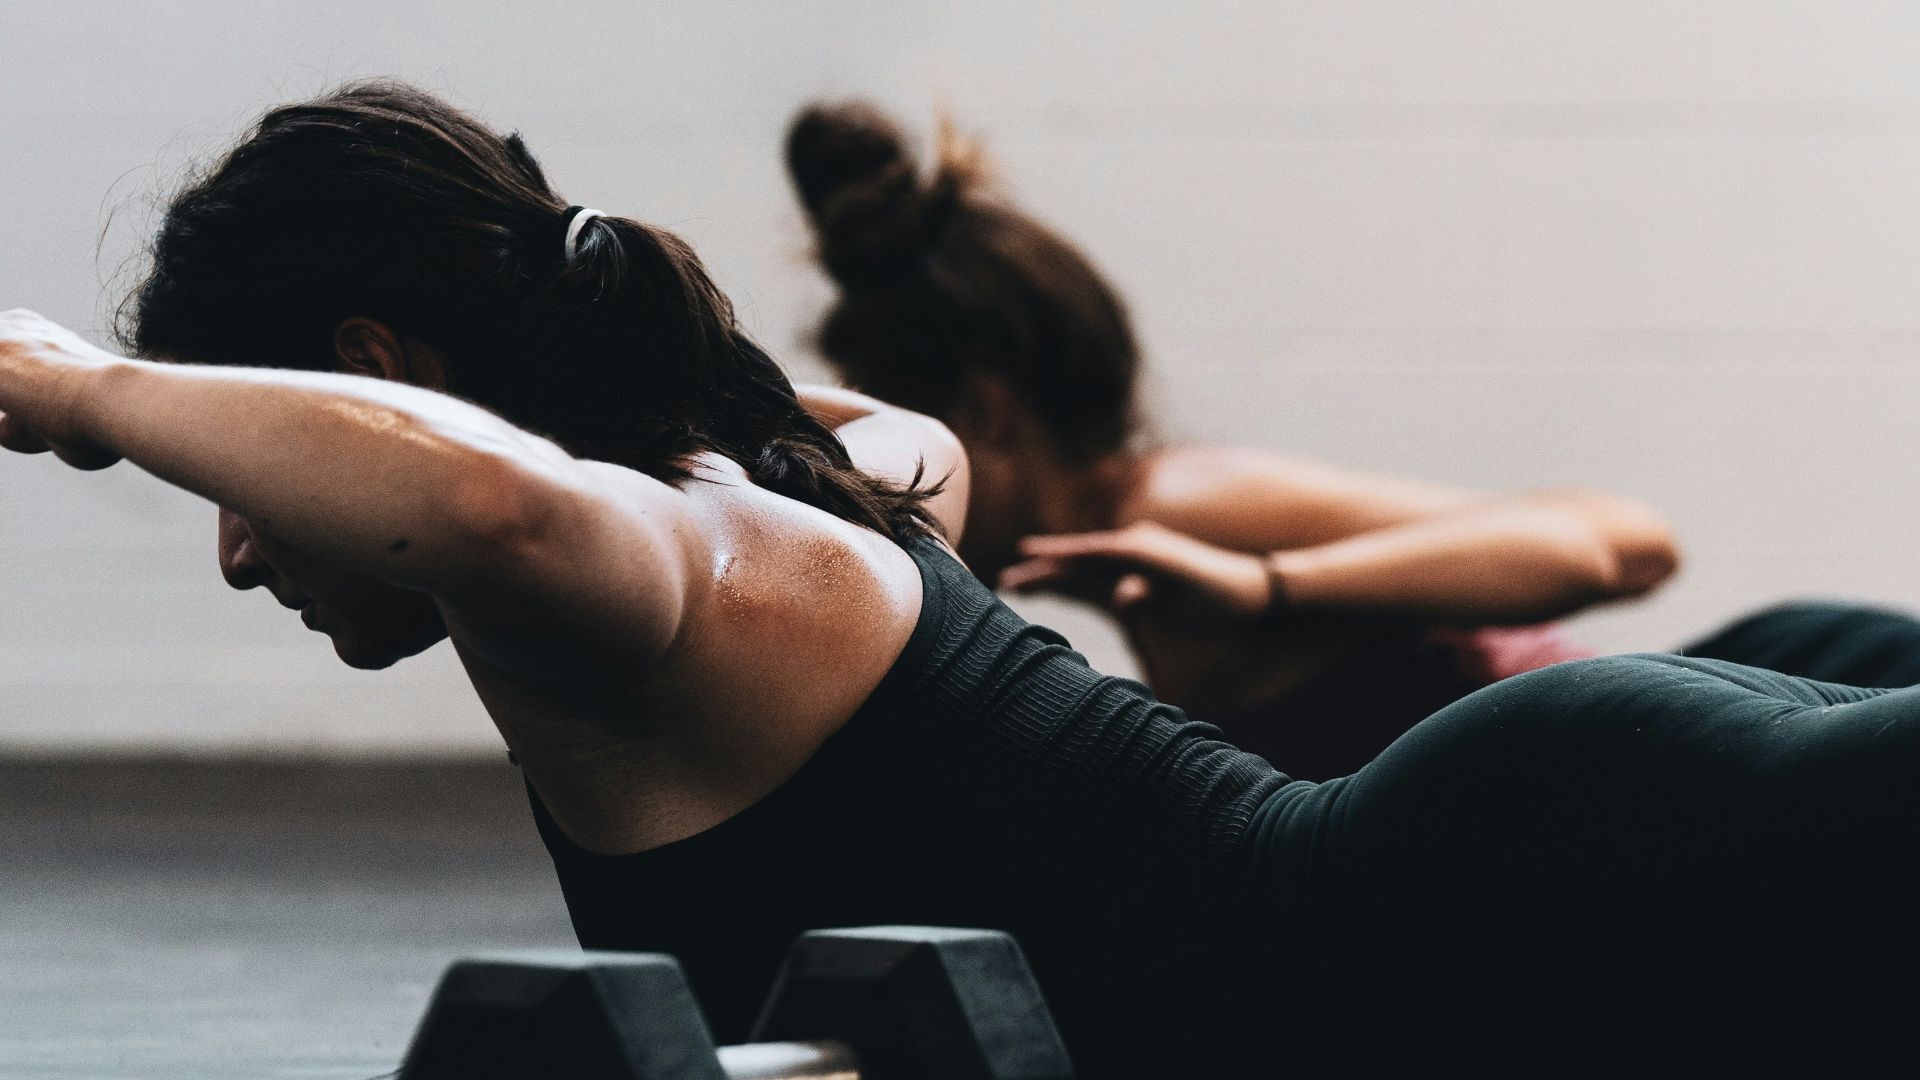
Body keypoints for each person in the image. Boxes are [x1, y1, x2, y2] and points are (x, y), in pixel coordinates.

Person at [3, 83, 1916, 1070]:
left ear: (385, 381)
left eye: (239, 471)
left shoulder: (656, 559)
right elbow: (872, 433)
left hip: (1506, 911)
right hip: (1534, 860)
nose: (242, 538)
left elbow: (497, 509)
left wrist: (93, 397)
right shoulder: (797, 474)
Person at [784, 101, 1920, 779]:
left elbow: (1621, 545)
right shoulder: (1142, 566)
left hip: (1746, 731)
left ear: (985, 414)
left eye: (892, 441)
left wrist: (1271, 589)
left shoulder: (1179, 507)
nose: (878, 490)